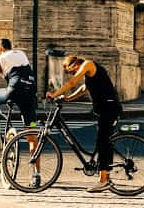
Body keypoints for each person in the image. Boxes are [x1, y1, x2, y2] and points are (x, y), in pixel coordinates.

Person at [47, 54, 123, 193]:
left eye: (72, 72)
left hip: (109, 107)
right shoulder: (90, 74)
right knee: (103, 141)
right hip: (104, 109)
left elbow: (72, 83)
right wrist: (69, 98)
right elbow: (84, 88)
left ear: (74, 64)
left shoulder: (88, 64)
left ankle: (104, 180)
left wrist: (54, 94)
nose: (73, 74)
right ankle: (105, 176)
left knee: (103, 142)